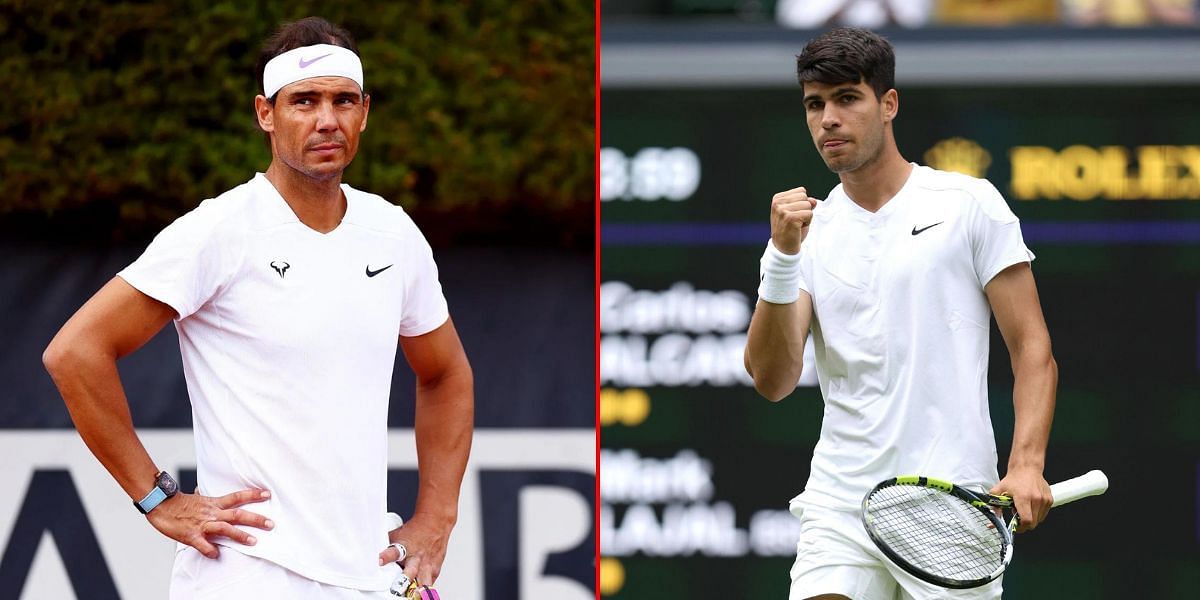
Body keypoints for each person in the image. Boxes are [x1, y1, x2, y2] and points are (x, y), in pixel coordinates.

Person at [41, 17, 473, 599]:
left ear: (364, 113)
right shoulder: (219, 229)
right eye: (304, 101)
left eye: (343, 100)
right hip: (247, 575)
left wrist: (437, 517)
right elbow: (75, 352)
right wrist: (157, 498)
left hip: (368, 575)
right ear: (265, 114)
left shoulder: (393, 234)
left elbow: (445, 374)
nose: (326, 119)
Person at [743, 27, 1056, 600]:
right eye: (815, 104)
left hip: (951, 501)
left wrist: (1027, 464)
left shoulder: (969, 205)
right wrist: (783, 256)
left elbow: (1031, 349)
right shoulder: (800, 237)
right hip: (841, 502)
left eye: (846, 98)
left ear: (888, 104)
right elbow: (773, 379)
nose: (828, 119)